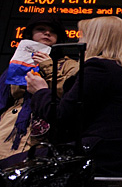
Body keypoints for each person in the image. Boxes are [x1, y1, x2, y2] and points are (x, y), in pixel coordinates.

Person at [26, 17, 122, 177]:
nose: (79, 40)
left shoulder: (99, 68)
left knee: (8, 167)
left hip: (98, 158)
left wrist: (40, 91)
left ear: (96, 39)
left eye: (83, 35)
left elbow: (62, 115)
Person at [0, 14, 77, 162]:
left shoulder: (70, 65)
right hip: (9, 129)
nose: (47, 33)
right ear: (31, 34)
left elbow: (68, 96)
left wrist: (48, 67)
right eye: (41, 29)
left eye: (52, 31)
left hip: (46, 130)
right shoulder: (16, 64)